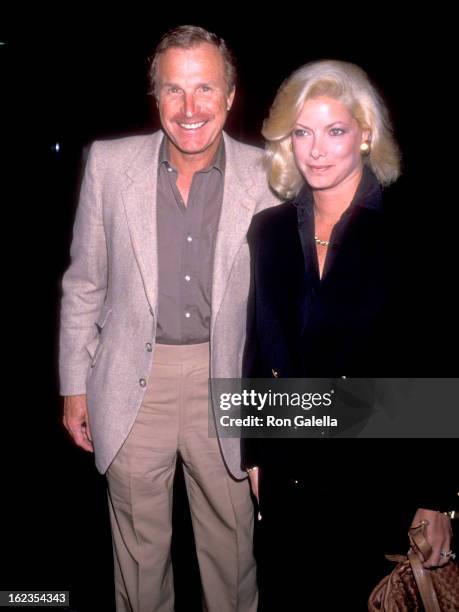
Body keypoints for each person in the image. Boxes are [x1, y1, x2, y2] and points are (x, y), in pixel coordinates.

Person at [59, 25, 279, 612]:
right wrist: (74, 386)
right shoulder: (109, 164)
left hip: (230, 381)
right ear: (155, 95)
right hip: (133, 377)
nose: (189, 108)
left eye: (205, 88)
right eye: (173, 90)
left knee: (234, 553)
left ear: (230, 96)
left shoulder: (272, 177)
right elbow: (85, 282)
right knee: (139, 556)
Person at [241, 60, 455, 610]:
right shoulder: (267, 231)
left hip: (377, 485)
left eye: (334, 130)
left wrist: (437, 497)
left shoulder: (413, 229)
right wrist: (254, 455)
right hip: (288, 482)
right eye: (302, 132)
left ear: (365, 134)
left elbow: (436, 364)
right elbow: (259, 346)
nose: (316, 149)